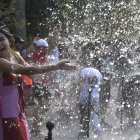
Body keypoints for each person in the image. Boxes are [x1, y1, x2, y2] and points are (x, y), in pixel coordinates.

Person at [0, 27, 76, 140]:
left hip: (21, 115)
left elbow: (33, 73)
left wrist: (58, 76)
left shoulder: (15, 56)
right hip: (5, 119)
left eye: (1, 39)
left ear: (9, 41)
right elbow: (25, 70)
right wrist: (56, 66)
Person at [78, 67, 102, 138]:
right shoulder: (98, 72)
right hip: (95, 96)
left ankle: (83, 130)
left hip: (84, 96)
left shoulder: (83, 71)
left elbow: (80, 81)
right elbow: (101, 83)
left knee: (83, 113)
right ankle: (97, 131)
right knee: (94, 114)